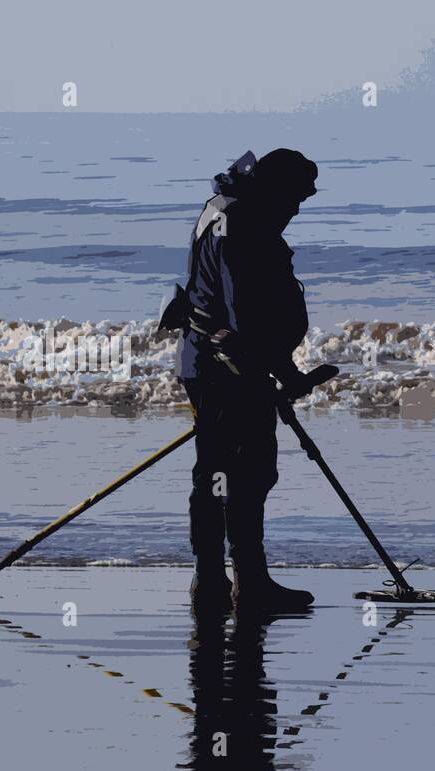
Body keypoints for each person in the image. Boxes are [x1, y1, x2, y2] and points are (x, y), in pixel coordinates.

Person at [176, 148, 321, 615]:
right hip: (226, 368)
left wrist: (278, 369)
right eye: (295, 199)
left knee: (220, 474)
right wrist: (283, 372)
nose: (296, 210)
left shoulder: (222, 208)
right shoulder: (243, 225)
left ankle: (217, 583)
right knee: (244, 474)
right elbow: (247, 319)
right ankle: (245, 585)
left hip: (210, 363)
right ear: (274, 190)